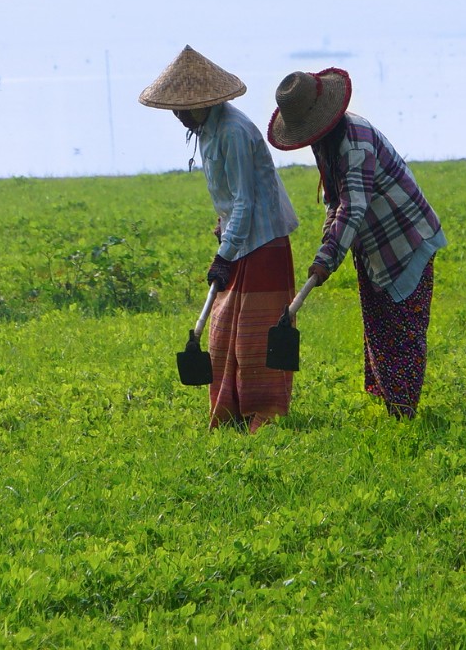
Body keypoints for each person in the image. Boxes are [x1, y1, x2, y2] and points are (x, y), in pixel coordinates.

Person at [268, 68, 445, 418]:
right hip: (372, 245)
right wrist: (326, 250)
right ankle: (390, 401)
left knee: (403, 328)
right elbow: (335, 202)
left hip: (405, 239)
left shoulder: (356, 140)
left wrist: (328, 256)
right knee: (378, 324)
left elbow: (354, 205)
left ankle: (404, 412)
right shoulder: (326, 143)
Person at [139, 46, 300, 431]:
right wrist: (222, 227)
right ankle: (231, 412)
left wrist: (224, 254)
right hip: (239, 237)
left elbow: (245, 199)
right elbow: (230, 199)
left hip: (263, 241)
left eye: (182, 109)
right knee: (223, 327)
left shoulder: (231, 132)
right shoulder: (206, 131)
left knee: (254, 336)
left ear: (200, 103)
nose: (177, 116)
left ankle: (262, 413)